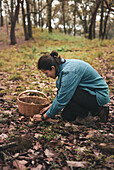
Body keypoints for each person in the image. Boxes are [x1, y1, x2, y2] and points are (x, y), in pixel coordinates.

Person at [33, 51, 110, 123]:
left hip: (98, 96)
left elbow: (62, 98)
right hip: (87, 92)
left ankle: (96, 111)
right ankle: (90, 112)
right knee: (67, 116)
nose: (47, 76)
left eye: (47, 73)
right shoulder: (63, 66)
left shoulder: (70, 71)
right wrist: (51, 106)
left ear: (52, 68)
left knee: (66, 96)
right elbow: (62, 93)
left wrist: (44, 117)